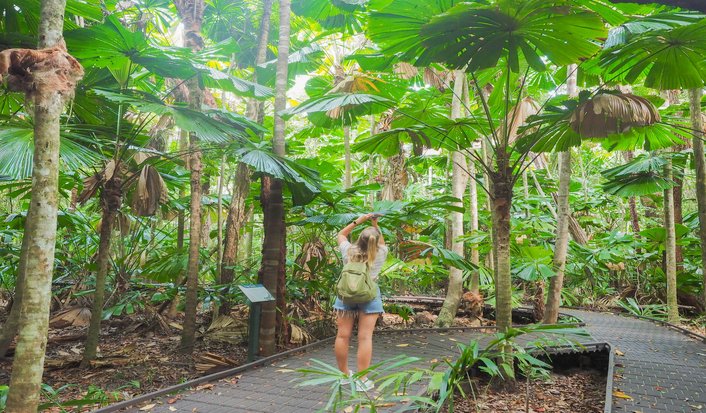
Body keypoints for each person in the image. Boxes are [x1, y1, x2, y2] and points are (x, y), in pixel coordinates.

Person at [334, 213, 387, 392]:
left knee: (342, 336)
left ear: (359, 239)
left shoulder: (348, 250)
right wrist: (375, 223)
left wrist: (360, 220)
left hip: (346, 295)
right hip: (369, 296)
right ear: (375, 242)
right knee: (364, 337)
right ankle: (362, 380)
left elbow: (341, 234)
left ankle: (343, 376)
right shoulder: (381, 253)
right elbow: (381, 242)